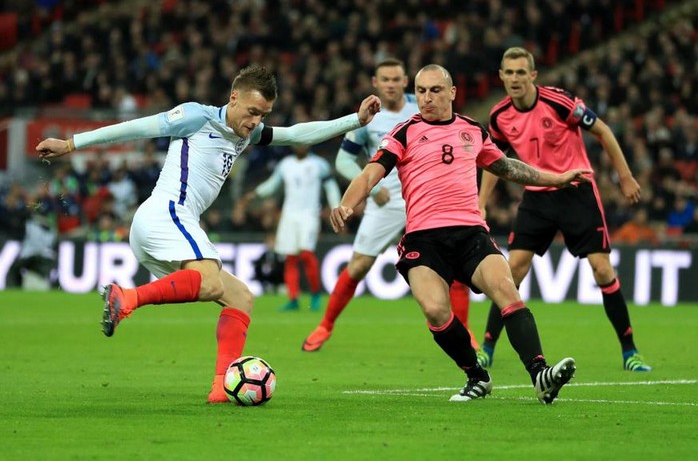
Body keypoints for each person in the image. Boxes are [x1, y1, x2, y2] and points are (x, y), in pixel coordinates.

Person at [36, 65, 382, 403]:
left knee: (241, 298)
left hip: (170, 222)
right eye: (251, 112)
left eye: (263, 115)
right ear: (233, 98)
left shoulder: (245, 133)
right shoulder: (197, 116)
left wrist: (354, 120)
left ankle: (220, 388)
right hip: (166, 213)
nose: (256, 122)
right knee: (211, 282)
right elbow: (136, 128)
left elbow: (294, 134)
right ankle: (125, 298)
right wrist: (71, 144)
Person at [330, 64, 588, 403]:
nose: (427, 98)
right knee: (436, 310)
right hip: (424, 238)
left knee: (507, 292)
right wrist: (348, 204)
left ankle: (540, 374)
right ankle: (476, 377)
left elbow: (508, 167)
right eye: (421, 91)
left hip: (470, 234)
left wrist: (556, 178)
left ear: (452, 92)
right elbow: (368, 174)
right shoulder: (403, 133)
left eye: (435, 90)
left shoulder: (472, 130)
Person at [476, 47, 651, 372]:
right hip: (537, 196)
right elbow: (493, 161)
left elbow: (603, 131)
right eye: (508, 72)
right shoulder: (499, 116)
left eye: (520, 72)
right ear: (501, 76)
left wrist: (625, 176)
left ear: (533, 76)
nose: (514, 78)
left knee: (602, 270)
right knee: (511, 271)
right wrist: (481, 202)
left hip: (576, 191)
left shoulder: (559, 102)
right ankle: (486, 347)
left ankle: (630, 351)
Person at [302, 58, 477, 352]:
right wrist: (375, 188)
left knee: (456, 264)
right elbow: (344, 160)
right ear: (376, 83)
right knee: (358, 265)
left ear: (405, 81)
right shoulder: (367, 117)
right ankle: (325, 325)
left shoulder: (425, 104)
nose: (392, 85)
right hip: (386, 201)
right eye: (386, 80)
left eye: (396, 79)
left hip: (427, 201)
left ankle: (467, 332)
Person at [239, 144, 341, 311]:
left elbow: (331, 187)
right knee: (290, 258)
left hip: (309, 215)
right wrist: (254, 194)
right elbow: (272, 185)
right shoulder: (285, 164)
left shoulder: (319, 164)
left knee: (307, 254)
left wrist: (336, 206)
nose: (300, 145)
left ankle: (315, 295)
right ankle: (293, 298)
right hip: (289, 216)